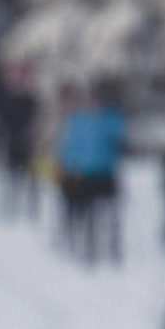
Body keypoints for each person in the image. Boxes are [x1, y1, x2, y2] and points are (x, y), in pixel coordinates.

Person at [55, 84, 126, 263]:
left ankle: (111, 246)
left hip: (104, 173)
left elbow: (118, 140)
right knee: (84, 209)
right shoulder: (77, 120)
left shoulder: (109, 119)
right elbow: (70, 146)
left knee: (108, 212)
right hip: (82, 174)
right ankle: (87, 245)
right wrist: (66, 168)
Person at [0, 61, 39, 220]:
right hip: (11, 142)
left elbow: (36, 120)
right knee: (11, 175)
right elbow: (2, 121)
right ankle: (10, 206)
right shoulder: (6, 98)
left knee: (30, 176)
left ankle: (30, 208)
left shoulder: (31, 98)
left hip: (28, 143)